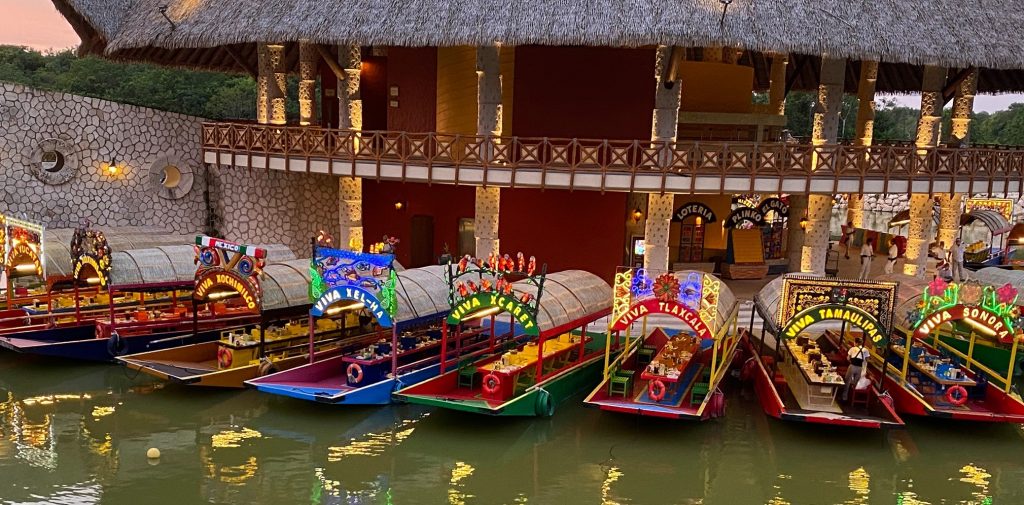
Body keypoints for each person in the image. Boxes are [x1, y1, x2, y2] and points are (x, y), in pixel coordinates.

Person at [843, 337, 870, 401]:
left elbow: (848, 358)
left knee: (847, 381)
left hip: (852, 366)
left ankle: (844, 398)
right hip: (860, 368)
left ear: (856, 343)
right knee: (855, 383)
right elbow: (867, 360)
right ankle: (852, 398)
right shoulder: (866, 350)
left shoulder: (852, 349)